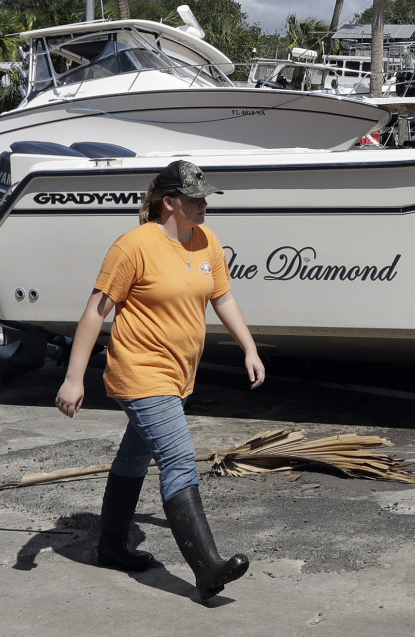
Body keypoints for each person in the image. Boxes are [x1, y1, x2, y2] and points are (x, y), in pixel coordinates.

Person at [55, 159, 266, 603]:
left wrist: (248, 346)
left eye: (206, 197)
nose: (205, 204)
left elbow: (222, 296)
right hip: (140, 371)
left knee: (134, 457)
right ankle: (207, 568)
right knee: (178, 459)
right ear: (169, 203)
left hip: (177, 374)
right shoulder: (133, 246)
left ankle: (111, 546)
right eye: (195, 198)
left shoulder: (206, 241)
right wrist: (75, 378)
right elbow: (96, 311)